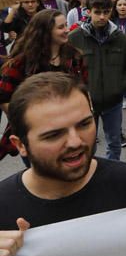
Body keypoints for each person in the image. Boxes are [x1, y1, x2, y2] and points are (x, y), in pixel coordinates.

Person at [0, 73, 126, 256]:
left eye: (85, 124)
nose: (76, 142)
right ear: (20, 145)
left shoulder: (125, 181)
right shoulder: (3, 205)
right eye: (53, 135)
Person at [0, 10, 88, 162]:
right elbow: (4, 98)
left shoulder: (74, 57)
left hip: (70, 130)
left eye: (66, 25)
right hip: (36, 135)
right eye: (61, 27)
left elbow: (84, 89)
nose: (67, 29)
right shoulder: (22, 62)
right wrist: (31, 119)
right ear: (46, 32)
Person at [68, 0, 126, 161]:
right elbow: (66, 70)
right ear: (88, 12)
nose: (102, 16)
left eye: (106, 12)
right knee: (87, 144)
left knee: (114, 143)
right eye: (97, 12)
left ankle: (112, 176)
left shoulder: (120, 38)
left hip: (113, 102)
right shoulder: (75, 38)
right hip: (85, 104)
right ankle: (89, 177)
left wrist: (120, 87)